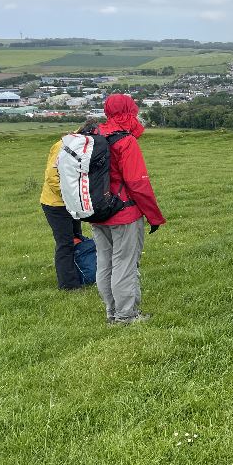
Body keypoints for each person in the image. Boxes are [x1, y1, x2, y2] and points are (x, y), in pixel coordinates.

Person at [92, 94, 166, 324]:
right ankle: (126, 315)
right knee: (125, 263)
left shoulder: (94, 135)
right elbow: (138, 183)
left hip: (97, 210)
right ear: (130, 111)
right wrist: (154, 216)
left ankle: (111, 312)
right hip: (124, 212)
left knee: (105, 262)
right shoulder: (125, 140)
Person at [39, 122, 97, 290]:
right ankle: (68, 285)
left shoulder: (83, 145)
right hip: (55, 204)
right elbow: (52, 178)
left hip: (72, 202)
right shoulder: (62, 146)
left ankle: (80, 272)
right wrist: (72, 194)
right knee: (65, 243)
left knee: (76, 237)